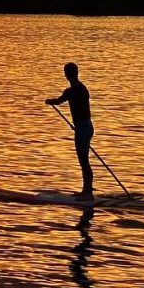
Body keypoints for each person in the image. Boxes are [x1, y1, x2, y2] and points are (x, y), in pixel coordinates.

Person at [46, 62, 94, 198]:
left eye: (67, 72)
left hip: (83, 128)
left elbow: (59, 101)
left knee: (83, 160)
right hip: (85, 127)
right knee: (84, 160)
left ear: (67, 75)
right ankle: (87, 189)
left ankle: (87, 192)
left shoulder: (73, 91)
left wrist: (49, 101)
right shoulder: (82, 88)